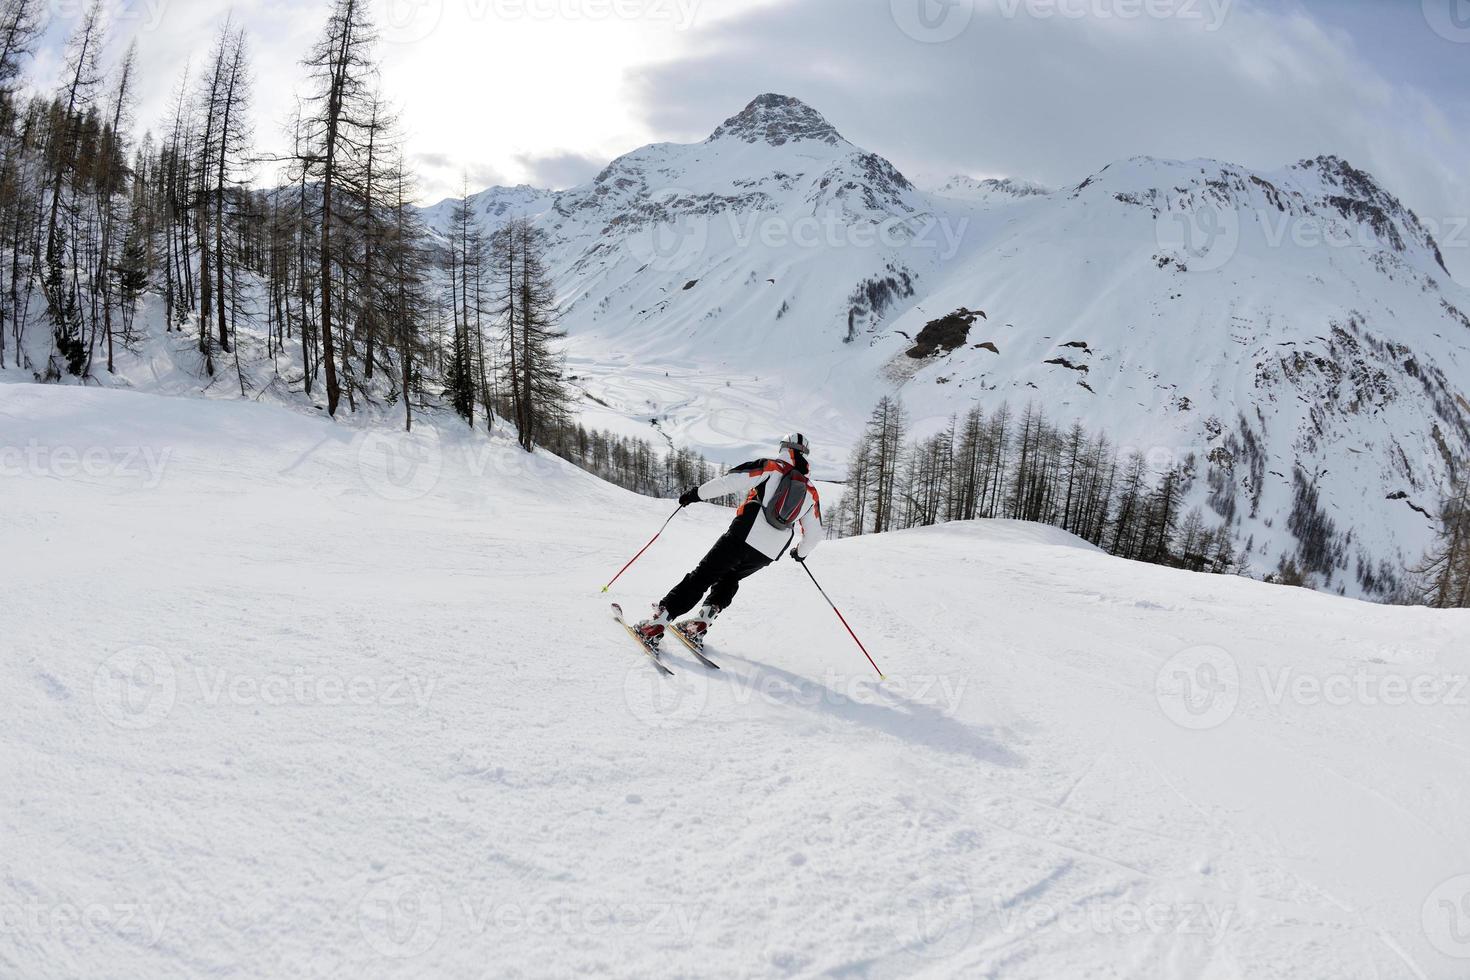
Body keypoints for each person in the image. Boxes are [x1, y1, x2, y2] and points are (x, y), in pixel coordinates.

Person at [635, 433, 825, 650]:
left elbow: (730, 482)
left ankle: (656, 625)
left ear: (784, 447)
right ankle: (700, 624)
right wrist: (800, 553)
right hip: (769, 552)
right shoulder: (811, 491)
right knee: (730, 578)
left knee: (703, 576)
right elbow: (814, 534)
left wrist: (695, 494)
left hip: (743, 535)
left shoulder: (772, 467)